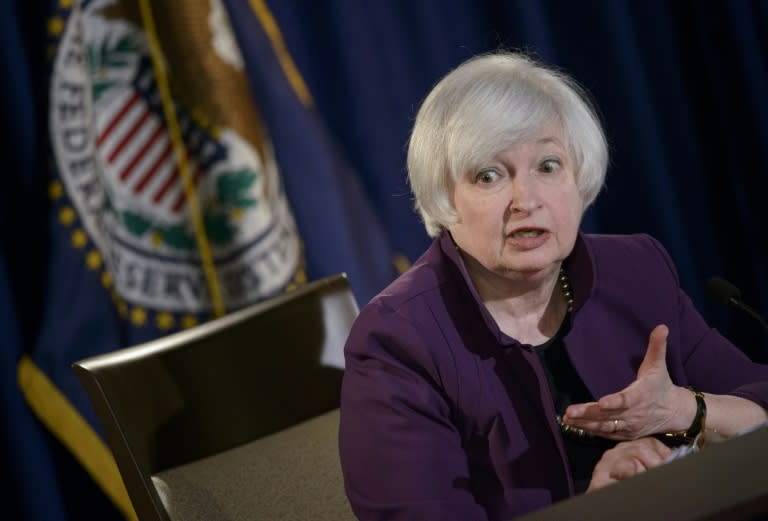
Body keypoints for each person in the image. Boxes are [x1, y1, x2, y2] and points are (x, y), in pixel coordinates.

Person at [338, 51, 768, 521]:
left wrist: (687, 411)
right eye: (489, 175)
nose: (527, 200)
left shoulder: (635, 271)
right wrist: (604, 510)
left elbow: (758, 398)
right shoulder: (399, 341)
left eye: (548, 165)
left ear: (578, 175)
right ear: (445, 198)